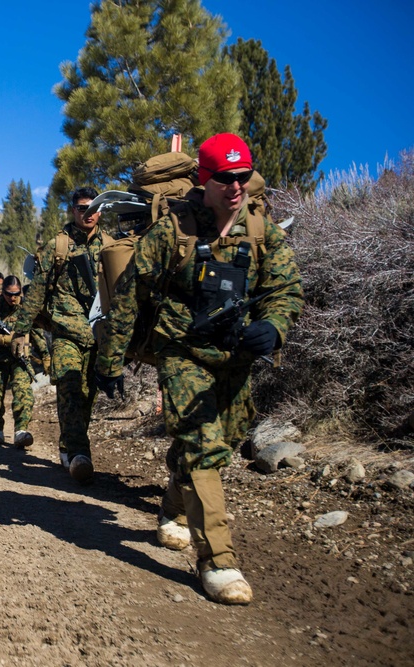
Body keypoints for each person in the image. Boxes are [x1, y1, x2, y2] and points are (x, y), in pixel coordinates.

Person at [95, 133, 303, 605]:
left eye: (243, 178)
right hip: (182, 352)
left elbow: (286, 289)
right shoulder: (173, 230)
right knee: (204, 447)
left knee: (223, 444)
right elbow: (129, 295)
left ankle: (172, 504)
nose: (236, 188)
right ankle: (219, 562)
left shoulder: (262, 229)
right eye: (226, 179)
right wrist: (111, 361)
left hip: (236, 357)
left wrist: (273, 325)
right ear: (204, 180)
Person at [12, 187, 105, 483]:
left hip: (98, 334)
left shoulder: (113, 247)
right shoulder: (58, 247)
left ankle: (69, 446)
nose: (87, 213)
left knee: (88, 394)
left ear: (101, 210)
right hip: (65, 332)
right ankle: (80, 454)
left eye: (92, 208)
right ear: (72, 210)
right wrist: (21, 331)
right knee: (70, 387)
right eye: (81, 208)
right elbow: (37, 291)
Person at [0, 276, 41, 447]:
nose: (12, 298)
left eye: (16, 294)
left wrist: (46, 357)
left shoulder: (25, 308)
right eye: (8, 294)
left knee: (23, 391)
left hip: (19, 358)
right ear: (3, 291)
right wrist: (4, 340)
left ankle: (21, 430)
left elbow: (36, 332)